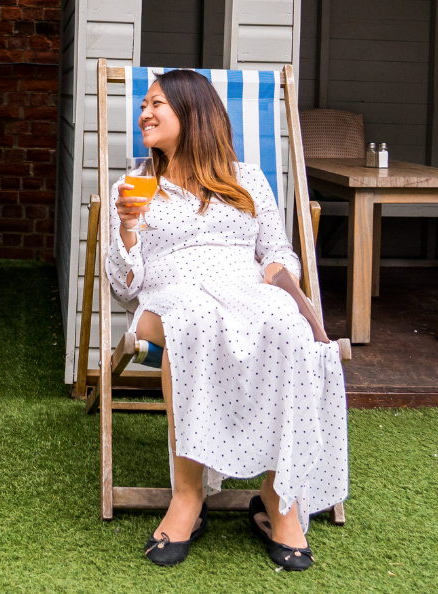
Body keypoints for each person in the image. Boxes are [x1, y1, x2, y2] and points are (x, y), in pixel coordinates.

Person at [107, 69, 348, 571]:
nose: (143, 114)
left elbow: (277, 252)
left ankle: (278, 498)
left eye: (156, 105)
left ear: (193, 114)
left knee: (286, 323)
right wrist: (128, 229)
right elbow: (124, 286)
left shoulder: (250, 180)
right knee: (192, 317)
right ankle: (188, 496)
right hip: (169, 298)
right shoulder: (134, 186)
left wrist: (279, 276)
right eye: (143, 105)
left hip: (243, 291)